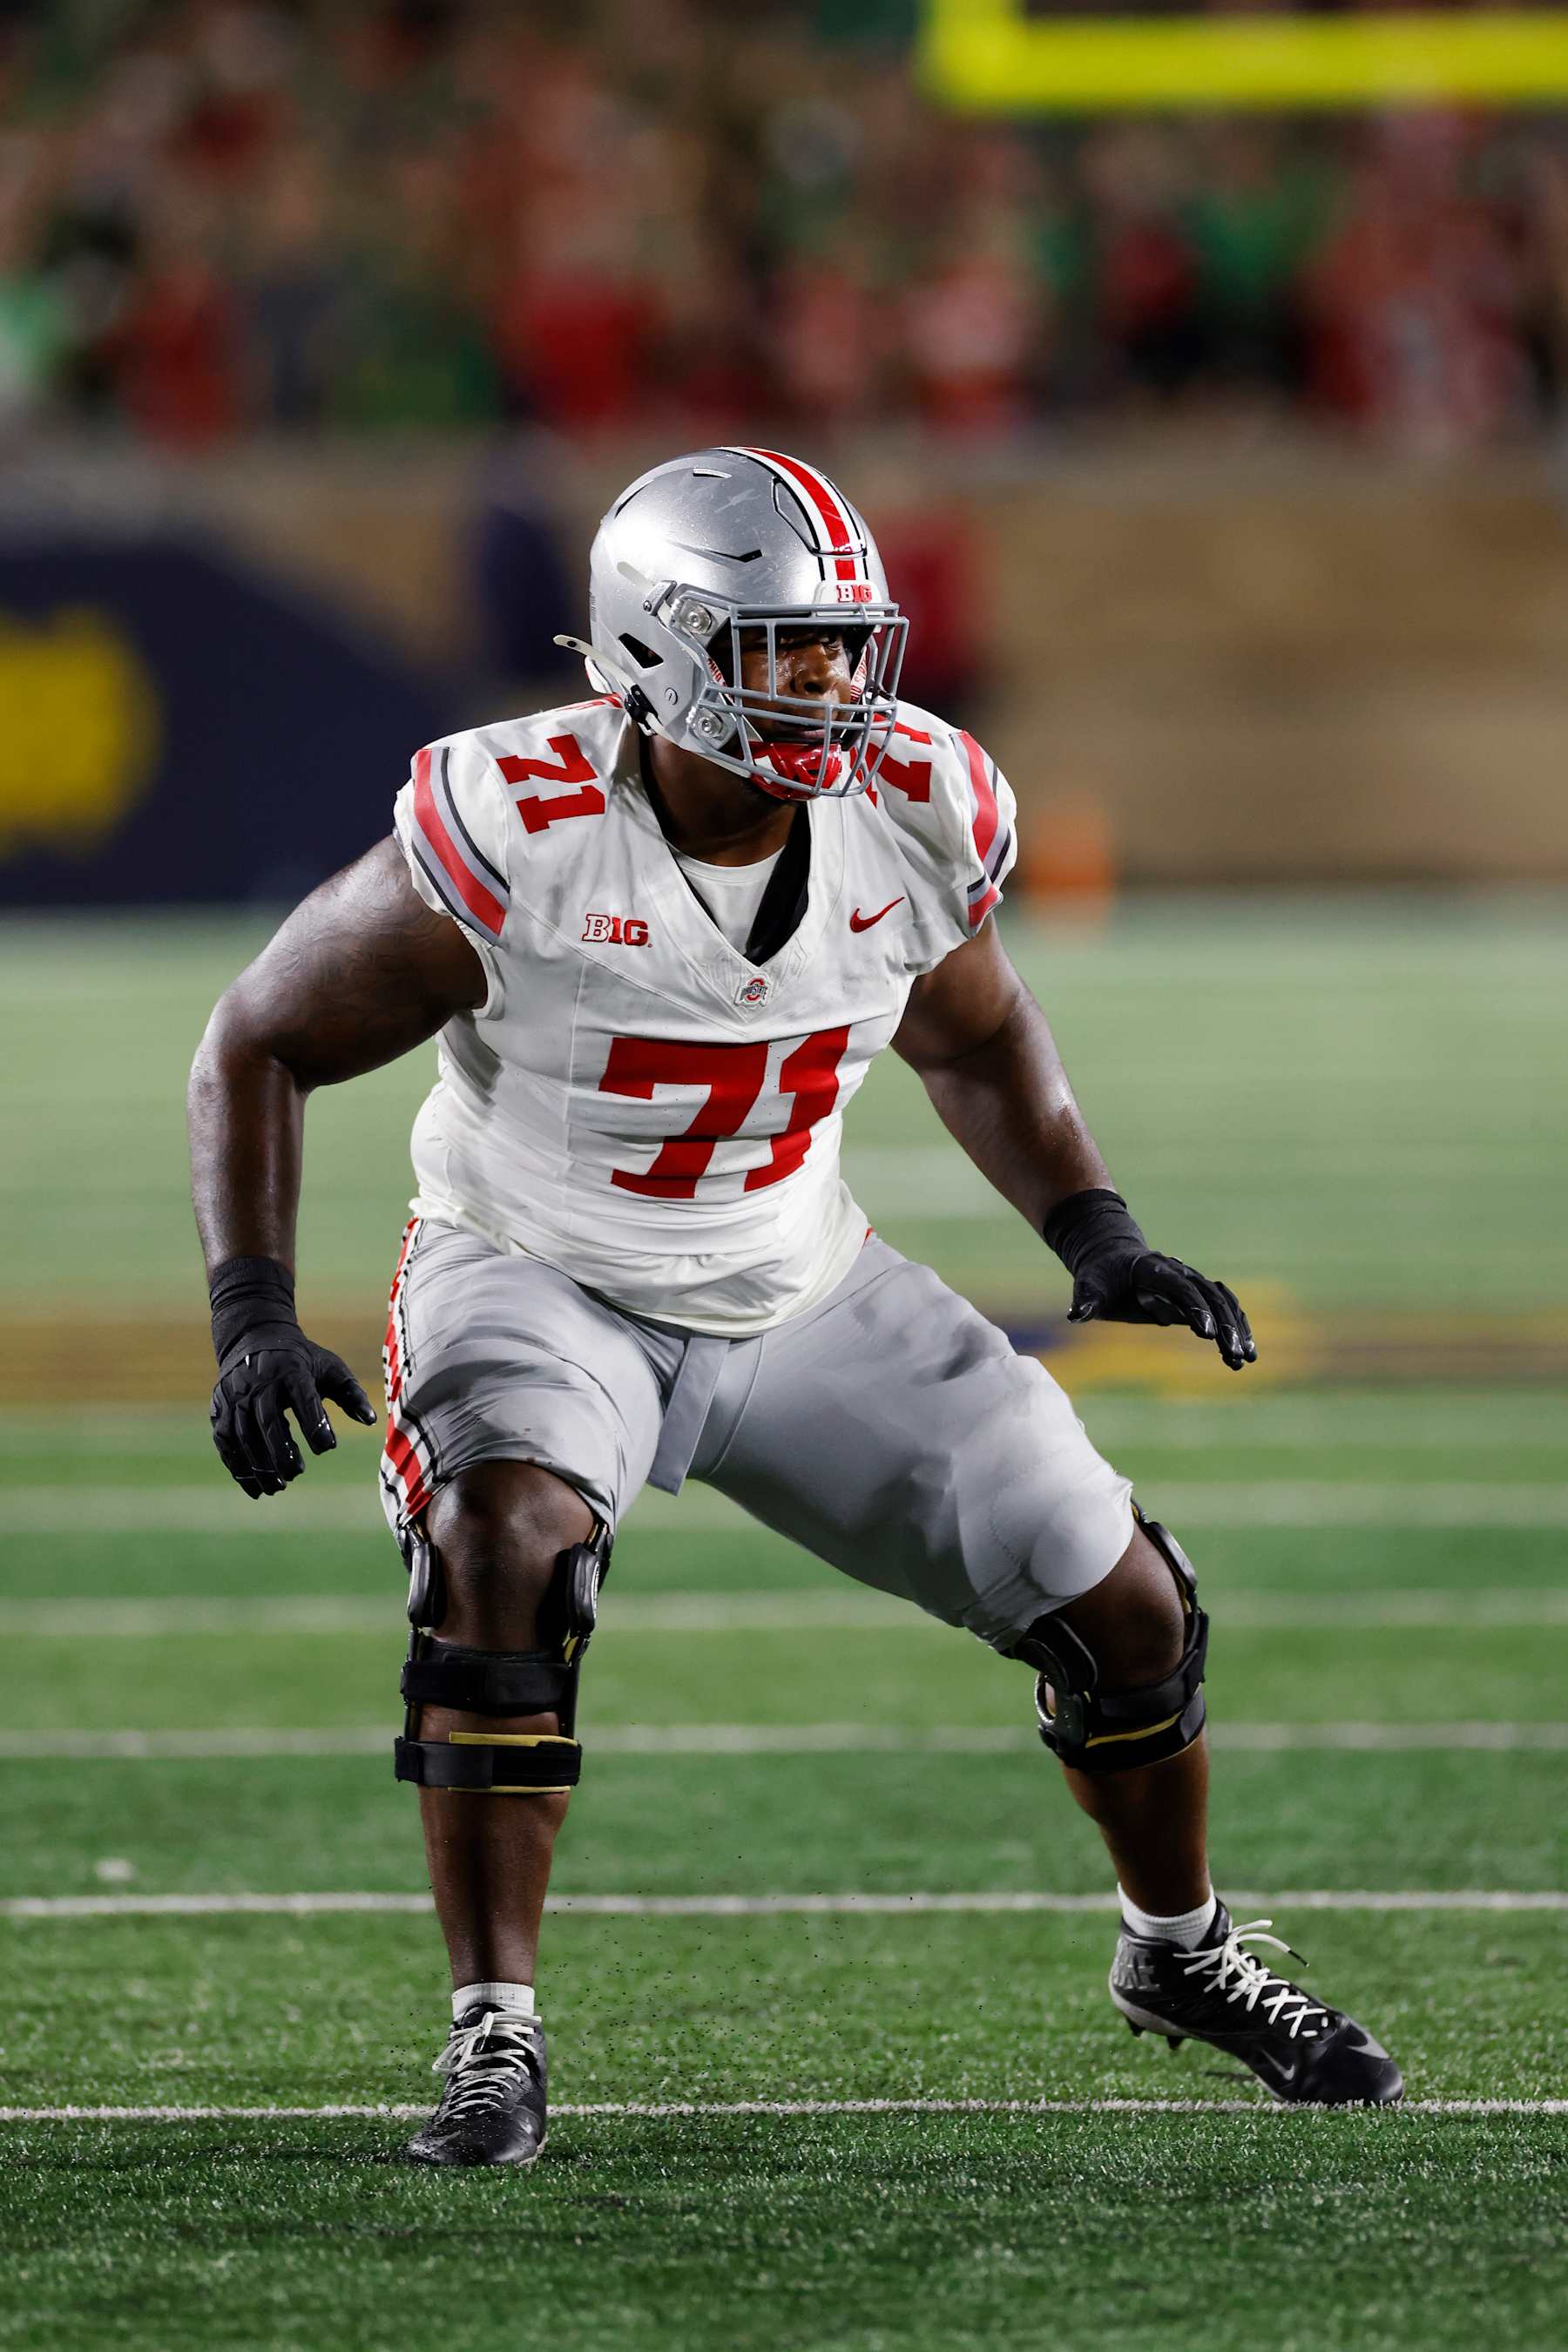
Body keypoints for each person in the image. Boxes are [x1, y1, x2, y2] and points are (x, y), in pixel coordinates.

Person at [188, 446, 1402, 2166]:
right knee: (500, 1552)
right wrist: (251, 1305)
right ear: (660, 648)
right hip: (538, 1272)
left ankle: (1181, 1951)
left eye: (848, 642)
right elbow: (259, 1038)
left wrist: (1093, 1226)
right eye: (788, 647)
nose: (836, 681)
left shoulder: (912, 801)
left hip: (801, 1278)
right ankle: (494, 2031)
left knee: (1125, 1603)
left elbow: (976, 1029)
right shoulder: (522, 825)